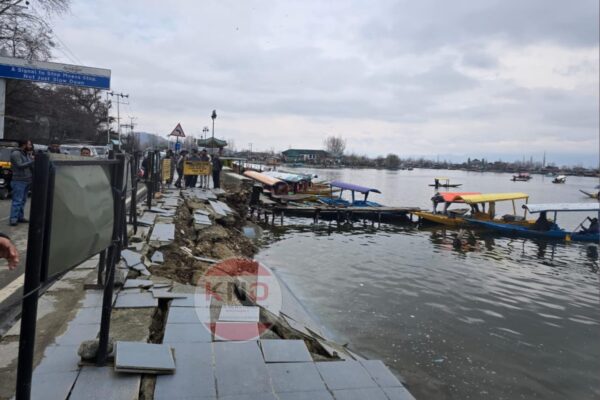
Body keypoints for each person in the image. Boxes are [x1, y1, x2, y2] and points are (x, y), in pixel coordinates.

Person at [9, 140, 33, 226]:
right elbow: (19, 165)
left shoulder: (25, 153)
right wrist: (32, 161)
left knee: (23, 200)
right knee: (17, 200)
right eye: (29, 144)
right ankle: (13, 219)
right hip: (19, 180)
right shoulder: (16, 153)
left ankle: (20, 217)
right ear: (24, 145)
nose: (30, 146)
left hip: (26, 180)